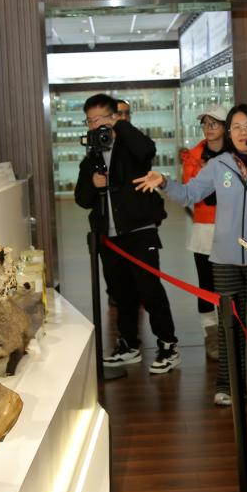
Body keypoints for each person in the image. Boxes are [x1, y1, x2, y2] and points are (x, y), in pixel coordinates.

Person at [134, 104, 247, 405]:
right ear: (229, 133)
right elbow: (189, 194)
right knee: (229, 325)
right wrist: (164, 182)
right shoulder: (219, 166)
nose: (243, 132)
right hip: (224, 258)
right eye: (236, 127)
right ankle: (227, 384)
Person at [74, 93, 180, 374]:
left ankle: (168, 345)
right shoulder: (92, 156)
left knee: (150, 290)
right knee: (121, 294)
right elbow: (82, 199)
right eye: (90, 120)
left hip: (139, 232)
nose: (95, 125)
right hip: (109, 238)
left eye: (100, 119)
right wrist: (94, 183)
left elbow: (147, 150)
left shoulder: (130, 146)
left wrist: (119, 125)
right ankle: (129, 345)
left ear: (113, 117)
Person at [181, 105, 228, 359]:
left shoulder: (237, 152)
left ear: (225, 127)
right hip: (204, 228)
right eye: (205, 124)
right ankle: (211, 334)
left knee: (231, 284)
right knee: (206, 285)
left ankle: (232, 332)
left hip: (233, 228)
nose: (208, 129)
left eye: (214, 124)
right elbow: (189, 190)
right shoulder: (194, 155)